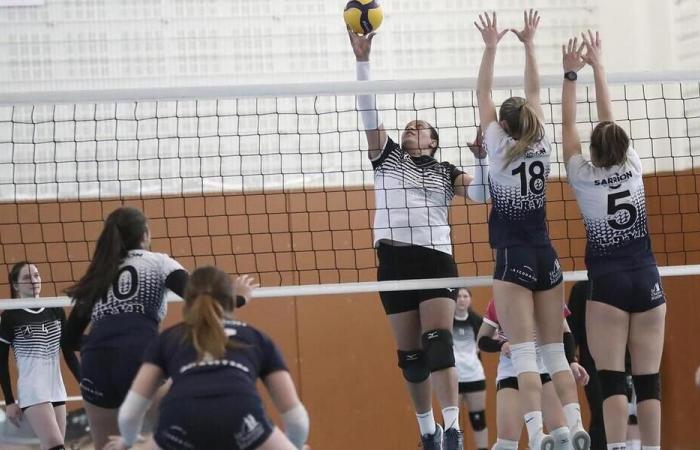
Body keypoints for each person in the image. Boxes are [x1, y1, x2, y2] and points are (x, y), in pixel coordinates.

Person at [347, 22, 490, 450]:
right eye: (408, 126)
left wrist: (481, 160)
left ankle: (451, 428)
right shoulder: (387, 158)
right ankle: (426, 429)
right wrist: (362, 62)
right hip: (392, 262)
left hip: (434, 260)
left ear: (434, 140)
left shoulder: (447, 172)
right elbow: (368, 112)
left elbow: (481, 194)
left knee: (438, 341)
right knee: (410, 360)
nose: (411, 128)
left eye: (419, 126)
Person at [475, 10, 589, 450]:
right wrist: (529, 44)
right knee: (554, 351)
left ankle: (539, 433)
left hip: (513, 257)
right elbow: (534, 91)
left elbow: (483, 90)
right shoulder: (540, 140)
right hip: (548, 256)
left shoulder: (499, 147)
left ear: (503, 125)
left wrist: (490, 47)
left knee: (523, 352)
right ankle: (576, 424)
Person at [561, 31, 666, 450]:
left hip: (607, 285)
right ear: (623, 144)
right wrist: (599, 65)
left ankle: (620, 448)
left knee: (611, 379)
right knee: (649, 380)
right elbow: (608, 119)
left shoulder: (583, 177)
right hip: (647, 279)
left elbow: (568, 124)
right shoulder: (635, 165)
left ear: (594, 149)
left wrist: (571, 74)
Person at [104, 266, 308, 450]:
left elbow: (130, 413)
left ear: (187, 302)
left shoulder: (169, 339)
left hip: (180, 421)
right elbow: (297, 420)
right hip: (241, 417)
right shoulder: (256, 338)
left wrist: (128, 443)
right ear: (231, 301)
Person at [60, 206, 191, 449]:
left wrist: (99, 348)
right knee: (174, 435)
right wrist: (235, 298)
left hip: (96, 364)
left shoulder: (98, 273)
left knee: (106, 444)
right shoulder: (159, 262)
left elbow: (68, 341)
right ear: (145, 234)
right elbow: (197, 297)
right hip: (140, 355)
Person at [477, 298, 589, 450]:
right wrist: (502, 344)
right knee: (506, 445)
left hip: (544, 370)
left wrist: (572, 361)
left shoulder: (548, 294)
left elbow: (565, 332)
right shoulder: (500, 299)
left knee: (562, 437)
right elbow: (482, 340)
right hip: (512, 373)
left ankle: (558, 434)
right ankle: (540, 439)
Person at [0, 262, 81, 450]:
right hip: (33, 390)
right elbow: (1, 362)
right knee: (55, 445)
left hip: (56, 388)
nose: (34, 281)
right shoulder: (10, 317)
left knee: (50, 445)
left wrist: (82, 380)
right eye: (27, 278)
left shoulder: (55, 309)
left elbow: (67, 350)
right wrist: (10, 401)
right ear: (16, 285)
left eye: (36, 275)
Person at [452, 288, 488, 450]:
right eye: (458, 296)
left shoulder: (477, 321)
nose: (461, 299)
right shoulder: (445, 321)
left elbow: (489, 338)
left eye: (465, 296)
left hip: (474, 376)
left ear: (470, 300)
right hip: (453, 379)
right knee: (452, 423)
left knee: (478, 418)